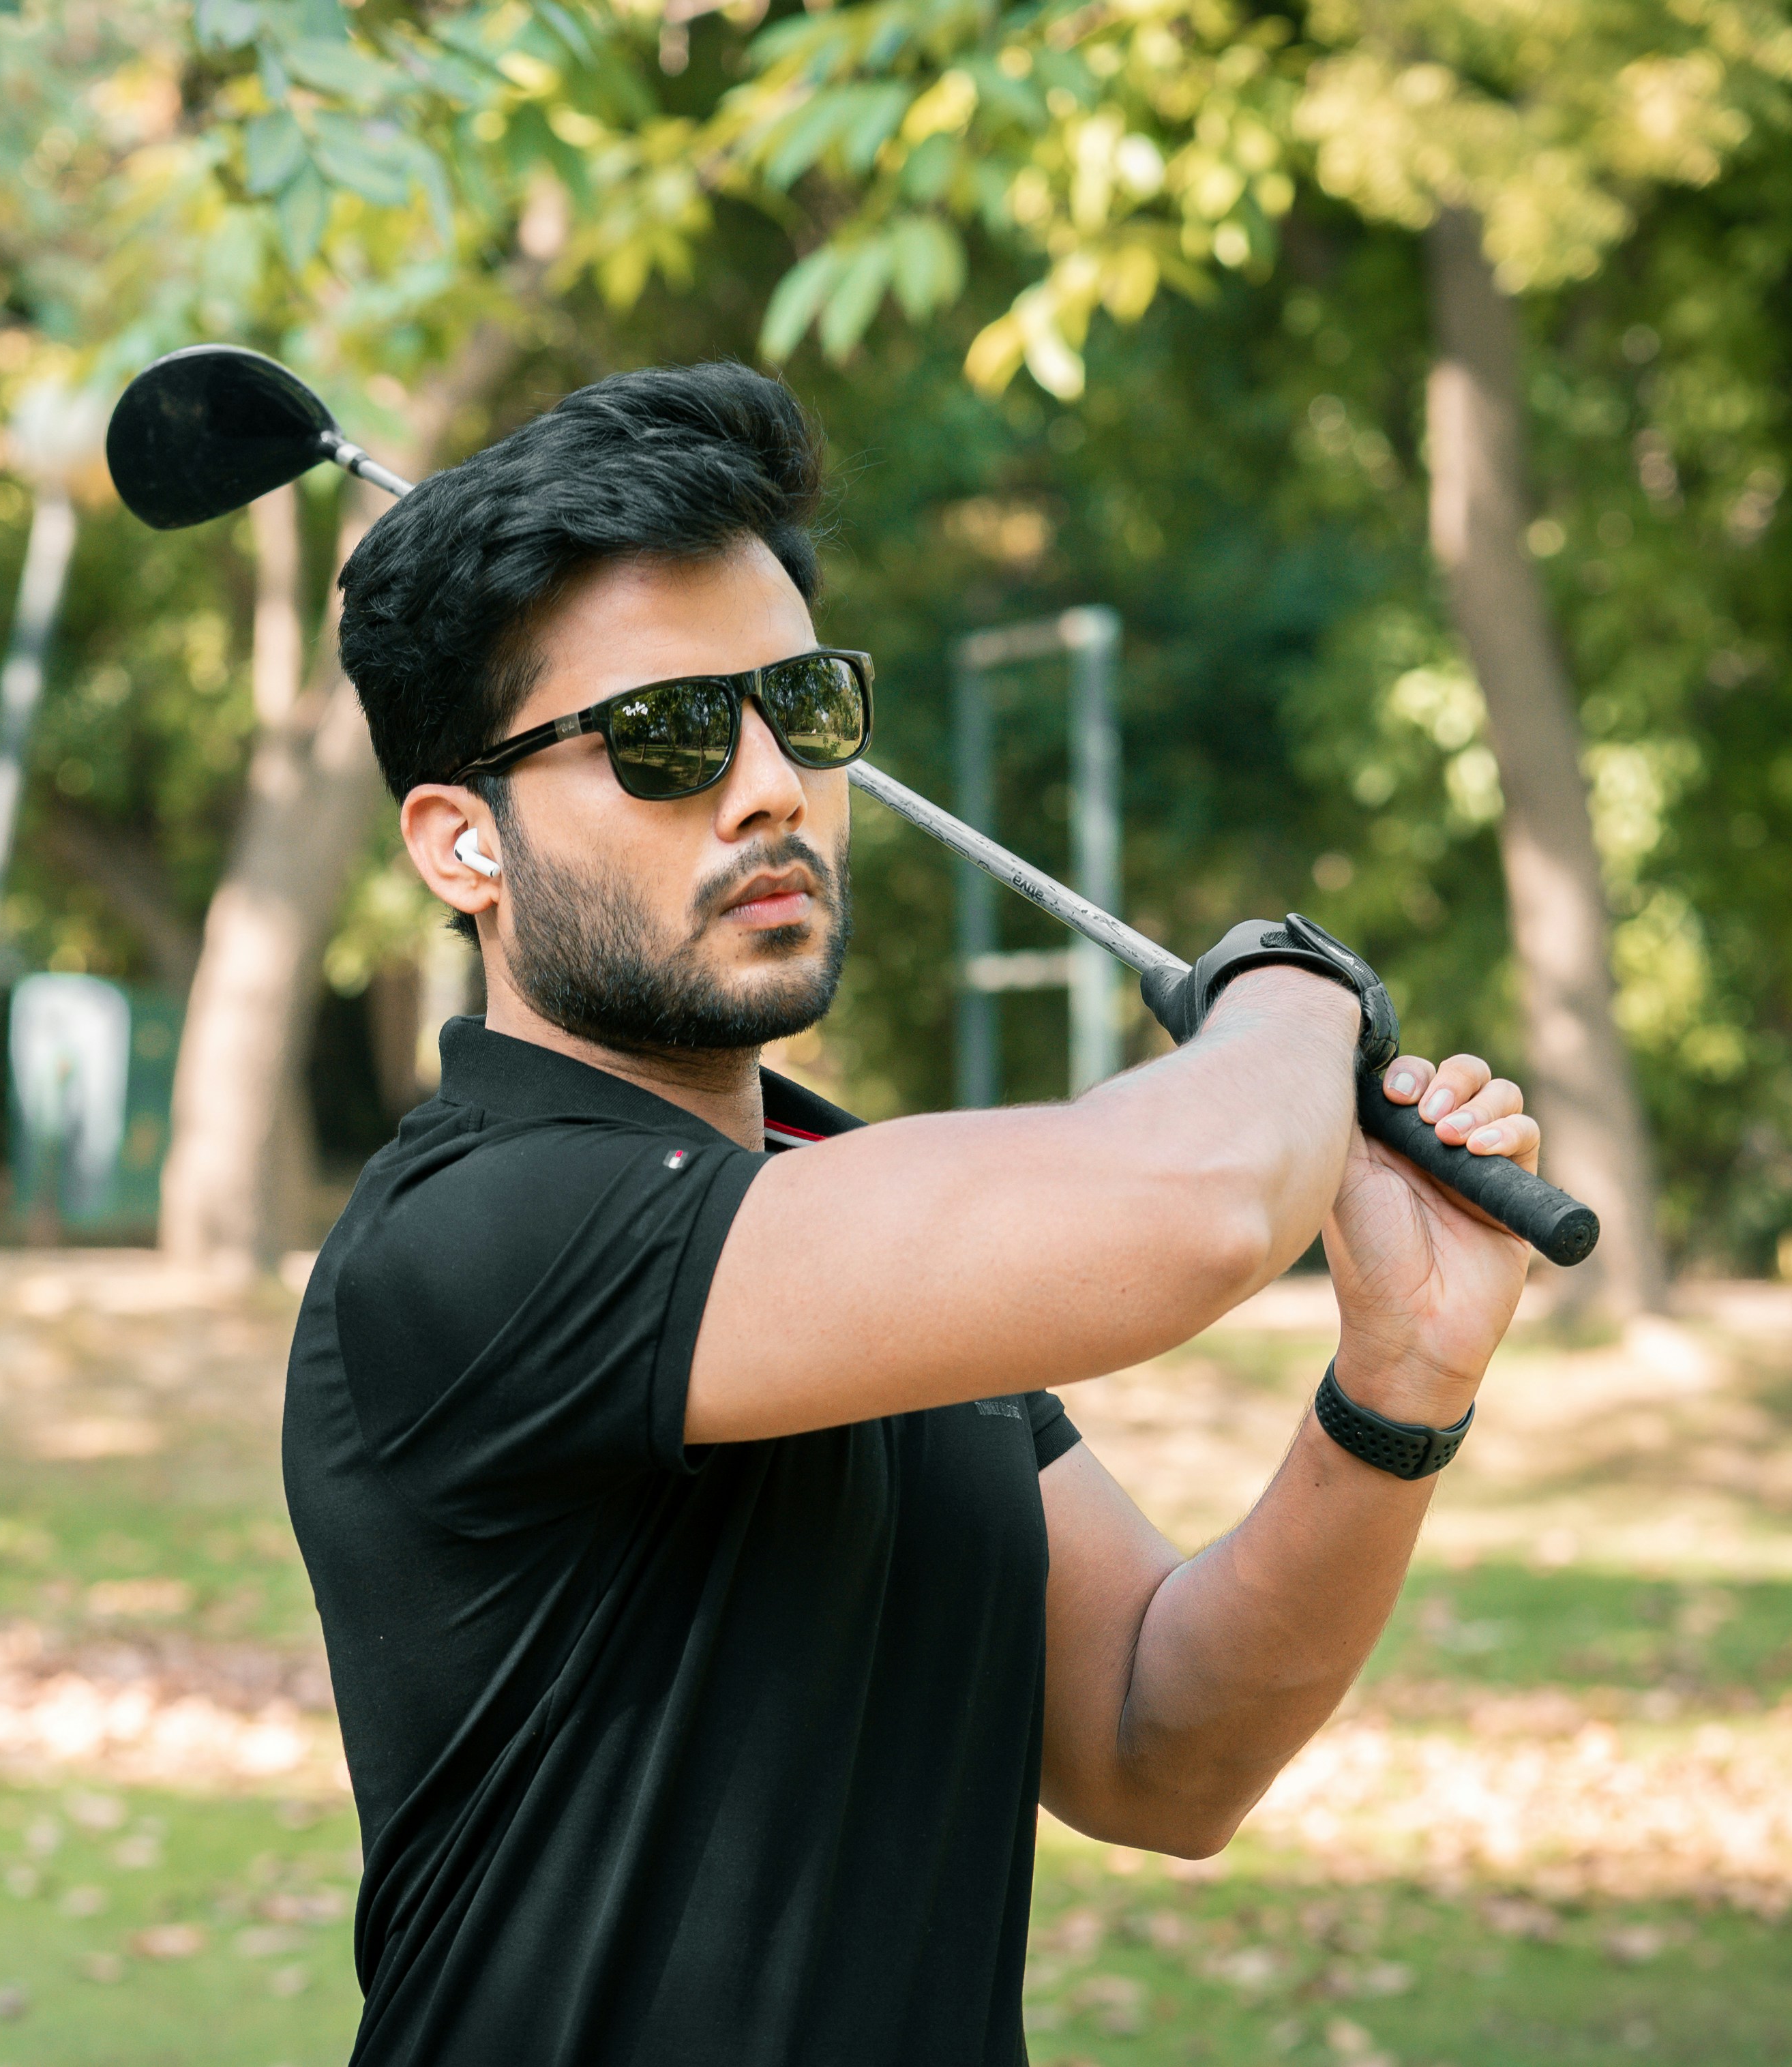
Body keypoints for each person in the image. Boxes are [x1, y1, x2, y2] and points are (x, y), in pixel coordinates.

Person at [286, 364, 1542, 2065]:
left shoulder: (830, 1213)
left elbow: (1158, 1750)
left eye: (799, 707)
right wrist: (1290, 991)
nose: (767, 788)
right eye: (665, 735)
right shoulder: (481, 1234)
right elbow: (1190, 1210)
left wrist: (1397, 1384)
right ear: (461, 847)